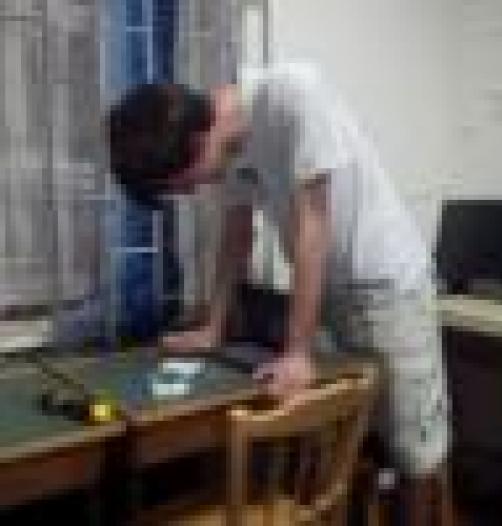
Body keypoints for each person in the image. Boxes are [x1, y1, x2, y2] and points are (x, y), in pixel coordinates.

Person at [83, 65, 450, 522]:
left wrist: (297, 352)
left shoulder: (295, 94)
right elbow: (236, 236)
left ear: (198, 142)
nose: (194, 190)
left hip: (387, 282)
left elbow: (314, 224)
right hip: (330, 291)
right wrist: (213, 327)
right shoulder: (229, 146)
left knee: (414, 452)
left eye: (185, 182)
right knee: (351, 432)